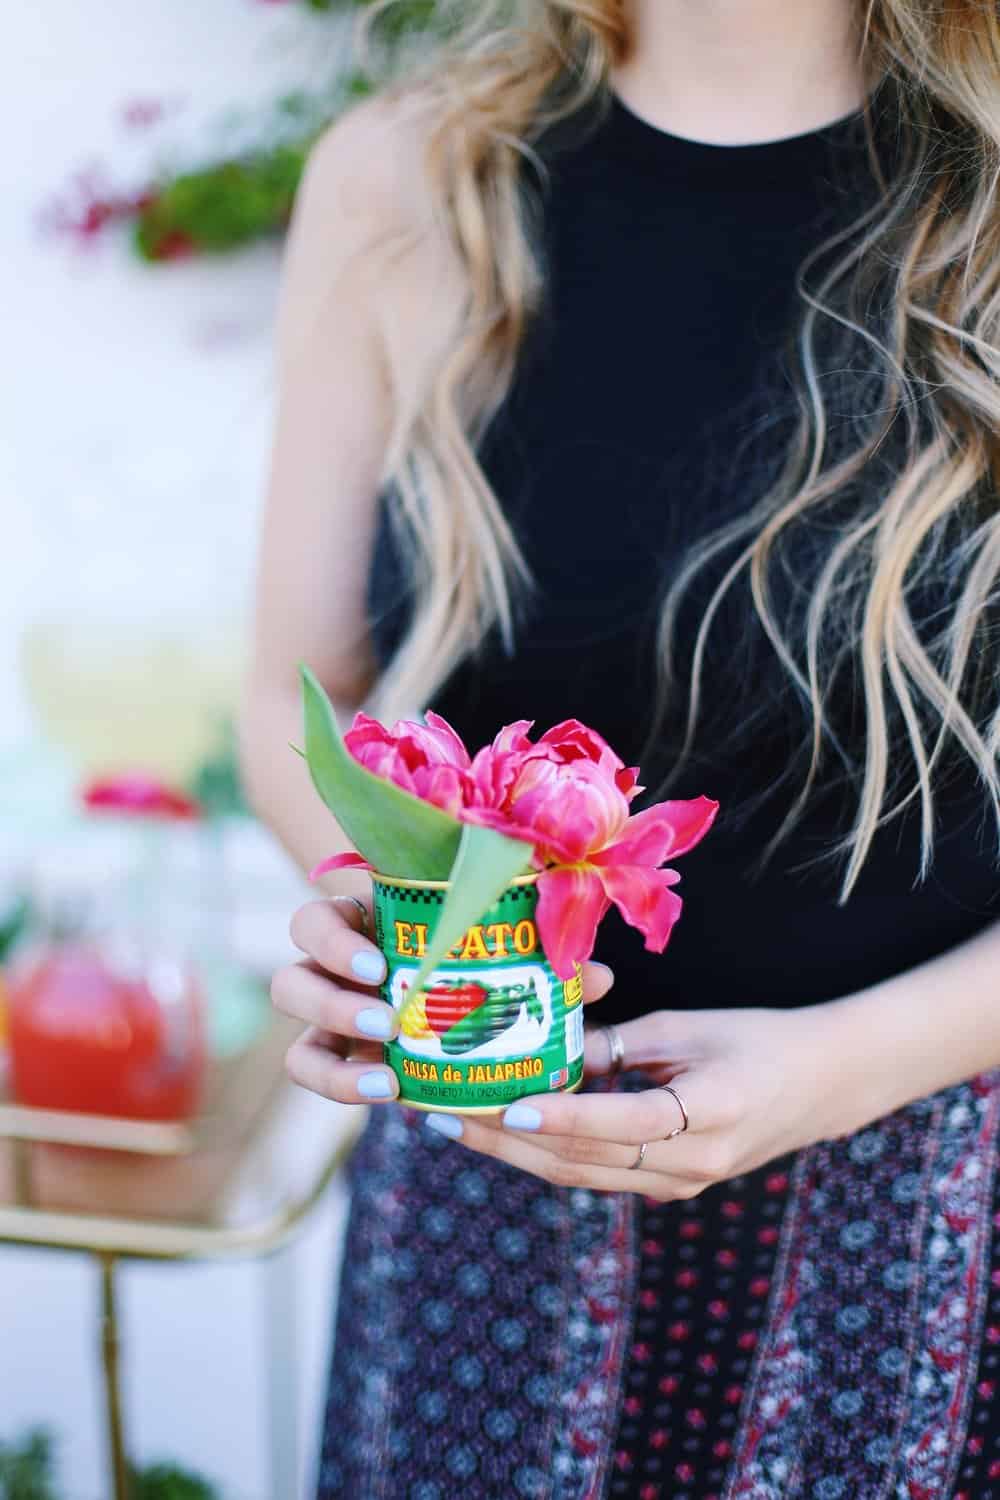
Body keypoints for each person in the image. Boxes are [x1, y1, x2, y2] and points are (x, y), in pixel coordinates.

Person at [239, 0, 1000, 1494]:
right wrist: (390, 916)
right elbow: (294, 696)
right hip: (487, 1175)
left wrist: (842, 1069)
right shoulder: (407, 174)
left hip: (931, 1200)